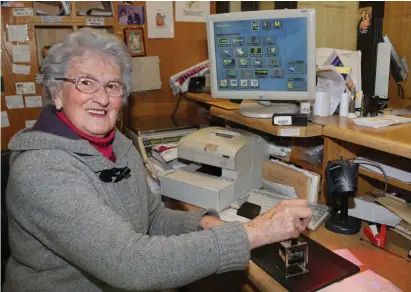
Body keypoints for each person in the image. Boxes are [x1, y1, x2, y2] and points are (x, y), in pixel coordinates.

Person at [3, 28, 312, 291]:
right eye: (86, 82)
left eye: (112, 86)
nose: (101, 97)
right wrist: (256, 232)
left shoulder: (118, 145)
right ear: (57, 92)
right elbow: (129, 263)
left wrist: (202, 222)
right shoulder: (41, 169)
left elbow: (150, 218)